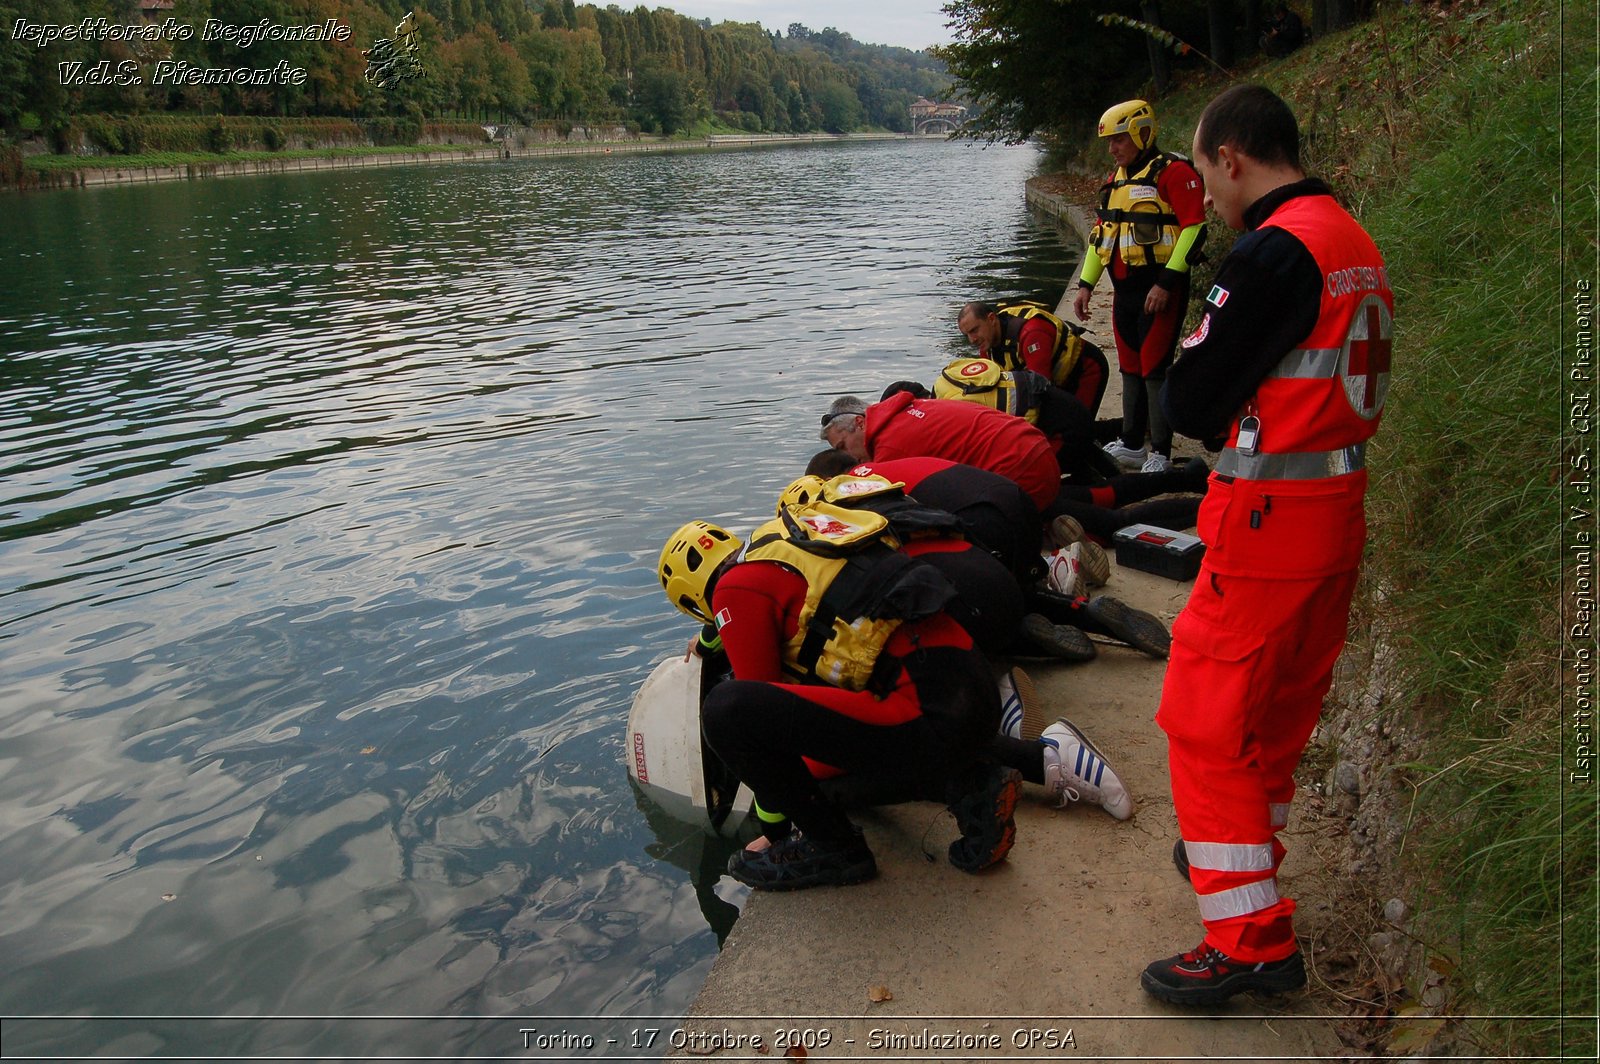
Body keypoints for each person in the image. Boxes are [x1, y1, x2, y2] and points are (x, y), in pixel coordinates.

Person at [1140, 84, 1393, 1006]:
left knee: (1203, 725)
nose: (1201, 193)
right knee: (1276, 712)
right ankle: (1249, 854)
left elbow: (1193, 404)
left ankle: (1248, 942)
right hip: (1333, 511)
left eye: (1203, 171)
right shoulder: (1347, 238)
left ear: (1234, 157)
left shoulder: (1270, 254)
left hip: (1269, 526)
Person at [1071, 100, 1207, 474]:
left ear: (1141, 134)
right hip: (1125, 292)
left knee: (1154, 367)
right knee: (1130, 366)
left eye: (1118, 140)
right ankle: (1132, 442)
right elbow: (1102, 238)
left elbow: (1195, 228)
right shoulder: (1116, 181)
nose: (1113, 149)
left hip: (1159, 289)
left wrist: (1167, 282)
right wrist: (1085, 285)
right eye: (1110, 142)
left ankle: (1160, 451)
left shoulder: (1173, 174)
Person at [956, 300, 1111, 419]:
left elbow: (1040, 392)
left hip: (1086, 371)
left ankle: (1124, 434)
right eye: (967, 335)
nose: (972, 340)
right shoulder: (987, 343)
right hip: (1057, 381)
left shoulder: (1031, 334)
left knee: (1078, 428)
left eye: (974, 330)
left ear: (991, 319)